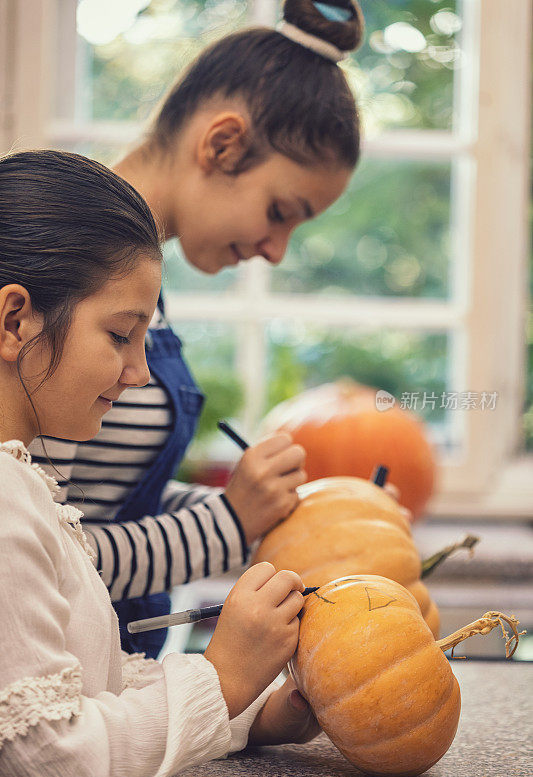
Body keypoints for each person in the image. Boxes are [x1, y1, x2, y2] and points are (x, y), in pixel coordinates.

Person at [30, 0, 406, 658]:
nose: (276, 250)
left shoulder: (137, 292)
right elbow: (44, 555)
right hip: (67, 693)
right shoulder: (71, 273)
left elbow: (109, 500)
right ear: (221, 144)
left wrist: (280, 512)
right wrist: (230, 522)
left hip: (125, 686)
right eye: (279, 211)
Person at [0, 148, 320, 777]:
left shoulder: (24, 486)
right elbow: (48, 761)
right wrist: (223, 678)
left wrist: (241, 716)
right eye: (121, 335)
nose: (139, 371)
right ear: (14, 321)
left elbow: (93, 691)